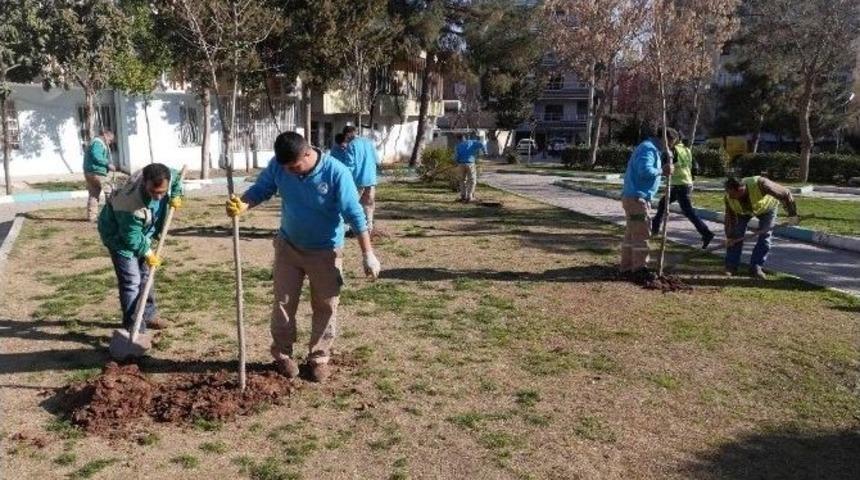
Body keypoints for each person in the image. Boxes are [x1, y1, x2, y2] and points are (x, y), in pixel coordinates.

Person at [226, 132, 381, 382]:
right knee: (283, 302)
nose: (290, 171)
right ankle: (283, 355)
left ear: (307, 153)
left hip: (326, 251)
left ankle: (319, 356)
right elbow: (262, 189)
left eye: (294, 166)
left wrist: (368, 253)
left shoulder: (336, 173)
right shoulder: (280, 166)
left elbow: (355, 214)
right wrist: (244, 203)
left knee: (326, 304)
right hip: (289, 247)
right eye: (285, 167)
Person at [98, 163, 183, 334]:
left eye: (162, 192)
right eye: (154, 192)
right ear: (145, 182)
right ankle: (134, 326)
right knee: (131, 282)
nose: (158, 197)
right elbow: (131, 237)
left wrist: (176, 194)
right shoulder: (129, 204)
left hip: (142, 233)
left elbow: (176, 178)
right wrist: (148, 252)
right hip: (118, 236)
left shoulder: (167, 175)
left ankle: (149, 315)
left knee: (146, 275)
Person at [619, 128, 678, 279]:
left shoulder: (650, 149)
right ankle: (639, 269)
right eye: (671, 143)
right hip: (637, 199)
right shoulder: (648, 149)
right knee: (641, 233)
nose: (670, 147)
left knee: (631, 233)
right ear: (665, 139)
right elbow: (644, 171)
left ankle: (626, 266)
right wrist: (662, 170)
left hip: (633, 197)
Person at [723, 176, 799, 279]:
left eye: (733, 194)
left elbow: (785, 193)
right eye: (729, 193)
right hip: (742, 212)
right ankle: (731, 267)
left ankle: (756, 267)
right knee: (735, 236)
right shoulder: (729, 197)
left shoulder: (760, 184)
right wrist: (730, 236)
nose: (731, 196)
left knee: (765, 236)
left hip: (767, 209)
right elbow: (730, 217)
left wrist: (792, 214)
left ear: (741, 189)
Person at [650, 137, 715, 248]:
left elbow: (665, 166)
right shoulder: (686, 149)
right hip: (684, 183)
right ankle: (654, 228)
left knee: (689, 212)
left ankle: (706, 233)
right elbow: (693, 165)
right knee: (662, 203)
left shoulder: (672, 150)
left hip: (680, 185)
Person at [343, 126, 379, 232]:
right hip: (371, 179)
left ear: (348, 134)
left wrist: (344, 180)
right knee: (369, 205)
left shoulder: (351, 145)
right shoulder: (369, 142)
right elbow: (377, 160)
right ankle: (369, 227)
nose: (346, 140)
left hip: (357, 180)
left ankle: (349, 228)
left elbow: (350, 166)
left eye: (346, 137)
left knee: (352, 204)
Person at [83, 129, 116, 222]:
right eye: (110, 140)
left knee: (93, 194)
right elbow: (97, 156)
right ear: (105, 135)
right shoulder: (98, 143)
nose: (109, 143)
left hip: (89, 172)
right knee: (109, 193)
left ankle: (92, 217)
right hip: (97, 172)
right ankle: (111, 216)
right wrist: (108, 164)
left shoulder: (93, 142)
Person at [454, 133, 487, 202]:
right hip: (470, 164)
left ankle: (463, 196)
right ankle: (469, 197)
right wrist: (485, 152)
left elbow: (456, 156)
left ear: (458, 139)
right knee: (472, 180)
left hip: (461, 164)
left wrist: (456, 162)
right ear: (465, 137)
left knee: (462, 180)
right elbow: (481, 144)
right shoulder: (472, 142)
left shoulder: (458, 145)